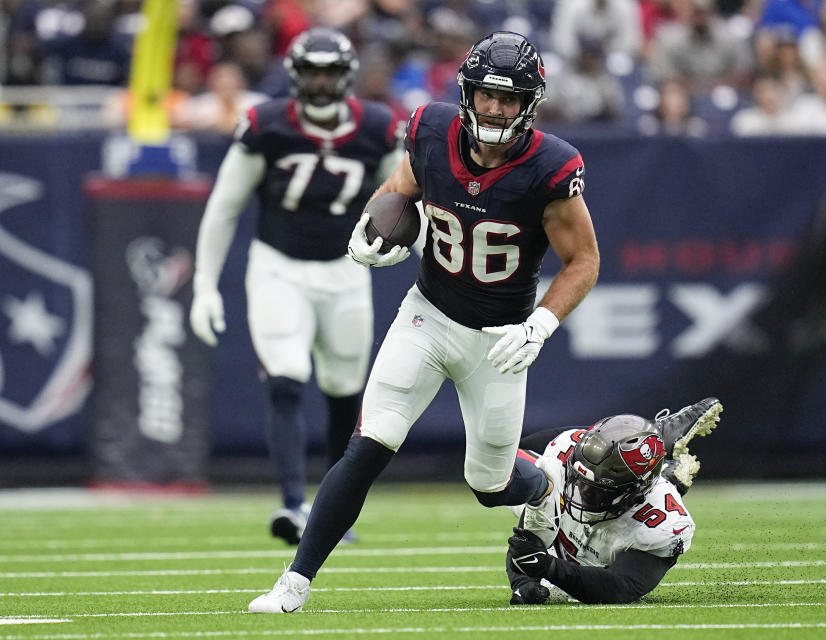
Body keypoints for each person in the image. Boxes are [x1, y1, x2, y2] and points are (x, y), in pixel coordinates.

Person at [248, 30, 601, 613]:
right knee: (369, 444)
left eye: (508, 99)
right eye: (486, 95)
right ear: (466, 92)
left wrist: (540, 324)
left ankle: (544, 486)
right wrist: (371, 233)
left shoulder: (550, 166)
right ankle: (294, 583)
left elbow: (583, 260)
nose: (494, 108)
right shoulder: (431, 131)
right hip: (428, 314)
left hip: (499, 338)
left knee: (490, 484)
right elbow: (397, 192)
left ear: (529, 104)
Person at [189, 27, 404, 545]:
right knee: (285, 378)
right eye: (313, 71)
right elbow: (224, 205)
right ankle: (291, 504)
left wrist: (410, 245)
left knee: (343, 391)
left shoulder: (376, 127)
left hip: (346, 269)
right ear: (295, 75)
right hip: (278, 266)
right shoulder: (266, 124)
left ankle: (332, 511)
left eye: (331, 71)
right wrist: (204, 284)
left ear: (347, 75)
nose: (323, 81)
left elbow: (405, 196)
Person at [507, 397, 722, 605]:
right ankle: (657, 434)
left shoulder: (664, 524)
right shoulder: (564, 460)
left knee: (562, 588)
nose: (580, 493)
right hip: (590, 487)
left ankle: (668, 476)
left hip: (607, 546)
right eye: (579, 482)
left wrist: (548, 568)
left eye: (595, 490)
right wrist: (524, 581)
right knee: (501, 475)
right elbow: (523, 546)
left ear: (634, 492)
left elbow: (618, 587)